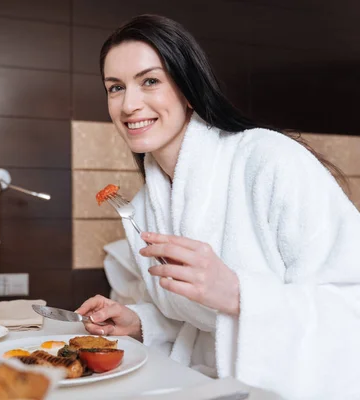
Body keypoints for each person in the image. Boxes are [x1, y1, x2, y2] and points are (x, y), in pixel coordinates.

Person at [75, 14, 360, 399]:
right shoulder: (143, 206)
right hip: (206, 384)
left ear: (189, 89)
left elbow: (350, 304)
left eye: (150, 81)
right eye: (115, 87)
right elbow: (199, 321)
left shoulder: (269, 160)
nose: (129, 104)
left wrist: (240, 293)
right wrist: (140, 322)